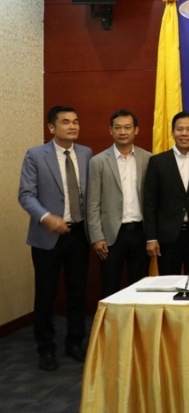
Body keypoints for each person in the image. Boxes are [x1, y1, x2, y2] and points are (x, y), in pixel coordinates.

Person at [18, 105, 93, 370]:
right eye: (65, 122)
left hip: (78, 234)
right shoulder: (36, 155)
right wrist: (46, 217)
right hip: (47, 236)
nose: (72, 126)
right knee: (46, 294)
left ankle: (75, 342)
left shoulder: (86, 153)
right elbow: (26, 194)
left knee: (77, 292)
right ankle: (46, 348)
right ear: (52, 127)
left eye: (75, 121)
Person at [86, 110, 152, 298]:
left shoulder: (148, 158)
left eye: (127, 127)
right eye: (118, 128)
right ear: (111, 130)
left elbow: (152, 200)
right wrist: (97, 236)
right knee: (110, 287)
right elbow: (92, 202)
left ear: (136, 130)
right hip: (110, 236)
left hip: (140, 232)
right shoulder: (98, 161)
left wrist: (152, 236)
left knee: (140, 288)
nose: (123, 132)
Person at [143, 111, 189, 276]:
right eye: (180, 129)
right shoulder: (157, 162)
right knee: (168, 283)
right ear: (172, 133)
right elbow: (150, 202)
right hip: (167, 237)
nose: (184, 133)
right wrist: (151, 237)